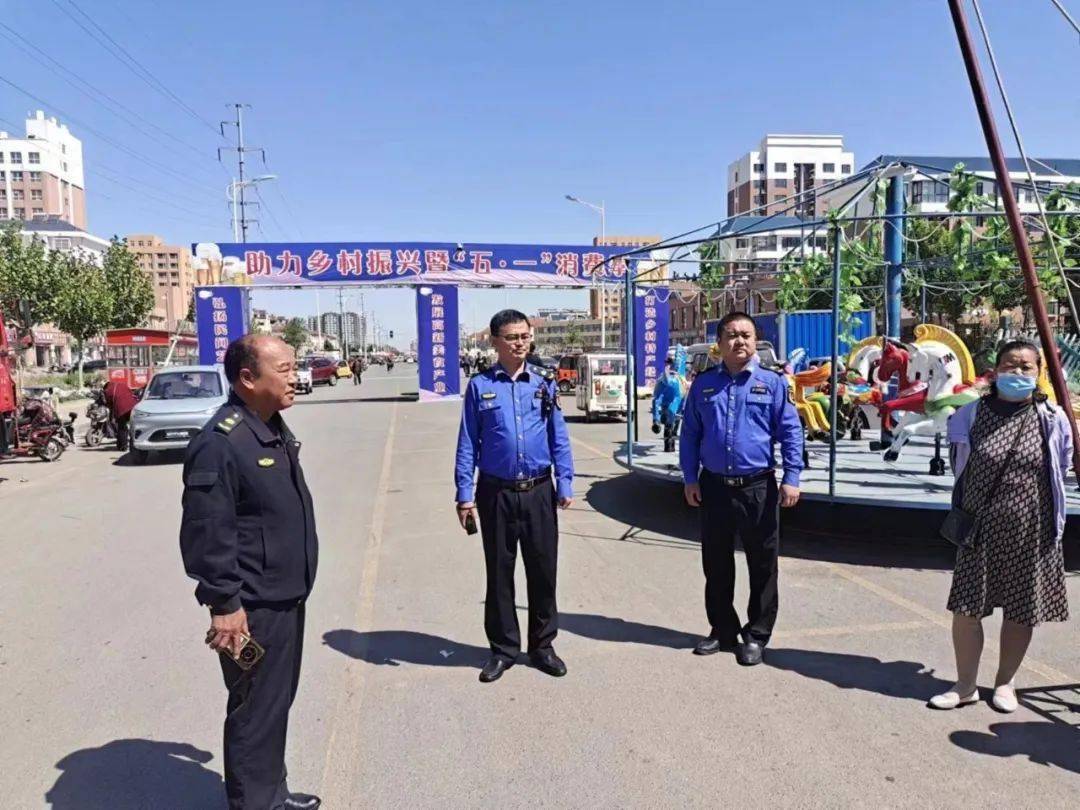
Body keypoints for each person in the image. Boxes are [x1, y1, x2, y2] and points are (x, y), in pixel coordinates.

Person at [179, 335, 321, 810]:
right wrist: (225, 603)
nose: (295, 377)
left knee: (273, 704)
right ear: (247, 378)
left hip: (284, 595)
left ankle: (272, 794)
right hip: (251, 607)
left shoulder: (269, 428)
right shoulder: (221, 443)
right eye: (285, 369)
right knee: (254, 708)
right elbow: (206, 531)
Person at [930, 340, 1071, 713]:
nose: (1018, 372)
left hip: (1032, 530)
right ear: (995, 370)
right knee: (967, 608)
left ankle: (1005, 682)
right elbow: (959, 463)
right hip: (980, 529)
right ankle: (965, 685)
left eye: (1027, 366)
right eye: (1011, 365)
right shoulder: (970, 414)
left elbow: (1062, 464)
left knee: (1021, 610)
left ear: (1039, 371)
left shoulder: (1052, 418)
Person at [455, 309, 574, 683]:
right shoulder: (480, 387)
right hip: (496, 493)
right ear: (495, 342)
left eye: (525, 336)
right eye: (512, 337)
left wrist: (565, 481)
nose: (521, 343)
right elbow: (467, 443)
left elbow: (558, 436)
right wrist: (464, 494)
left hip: (538, 491)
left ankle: (543, 646)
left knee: (543, 571)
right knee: (499, 573)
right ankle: (504, 649)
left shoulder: (543, 383)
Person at [680, 311, 803, 667]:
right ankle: (722, 630)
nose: (739, 341)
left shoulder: (773, 383)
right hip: (714, 487)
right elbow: (690, 434)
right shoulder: (704, 385)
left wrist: (792, 477)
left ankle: (756, 635)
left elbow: (790, 431)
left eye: (746, 335)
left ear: (756, 341)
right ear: (719, 343)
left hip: (757, 487)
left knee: (762, 565)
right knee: (716, 563)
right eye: (732, 335)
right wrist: (690, 477)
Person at [652, 358, 684, 453]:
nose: (668, 365)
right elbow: (656, 399)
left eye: (670, 363)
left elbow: (679, 397)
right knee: (668, 423)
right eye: (667, 363)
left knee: (671, 423)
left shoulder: (679, 379)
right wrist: (656, 419)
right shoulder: (662, 379)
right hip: (667, 403)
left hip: (674, 404)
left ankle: (670, 444)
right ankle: (668, 445)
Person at [102, 378, 137, 452]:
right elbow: (131, 393)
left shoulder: (108, 391)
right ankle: (133, 443)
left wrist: (112, 414)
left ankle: (123, 446)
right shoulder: (122, 385)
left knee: (122, 427)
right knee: (134, 425)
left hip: (121, 409)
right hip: (132, 406)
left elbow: (109, 404)